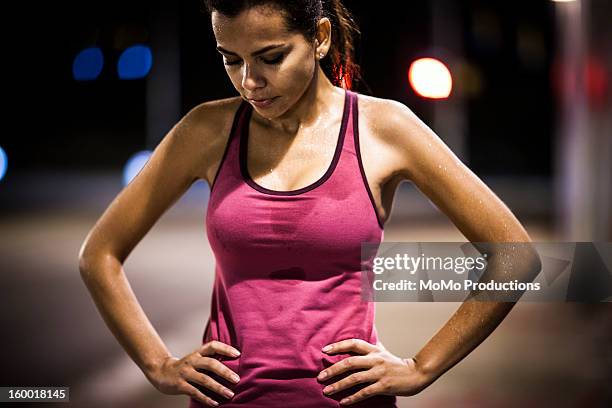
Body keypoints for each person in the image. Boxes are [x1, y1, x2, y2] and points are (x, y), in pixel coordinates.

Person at [78, 0, 541, 407]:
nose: (250, 81)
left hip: (348, 404)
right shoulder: (207, 131)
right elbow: (98, 256)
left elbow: (515, 257)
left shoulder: (383, 128)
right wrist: (159, 365)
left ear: (319, 38)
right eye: (230, 59)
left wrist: (421, 368)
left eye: (271, 57)